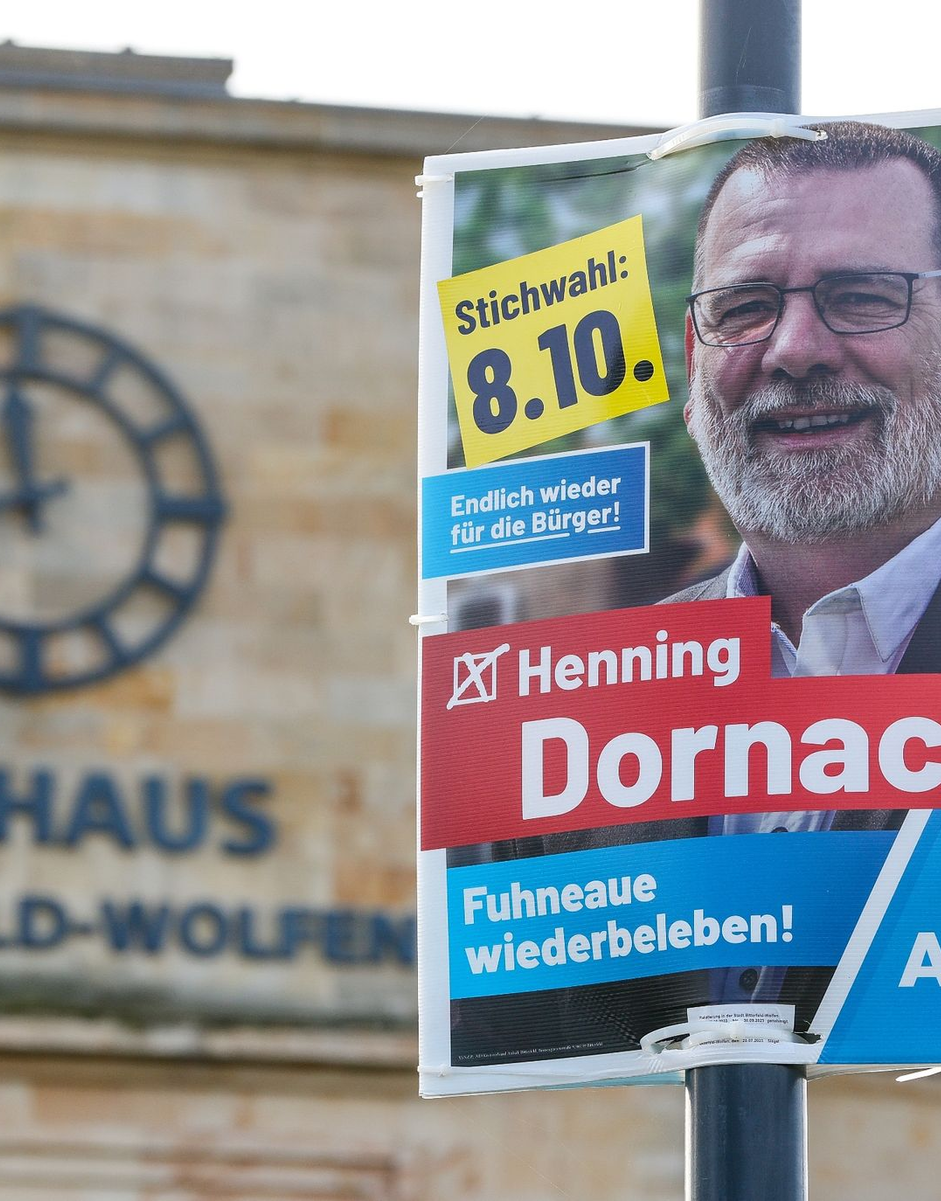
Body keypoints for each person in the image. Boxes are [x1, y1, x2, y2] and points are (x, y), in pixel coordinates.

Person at [451, 120, 941, 1066]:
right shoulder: (567, 719)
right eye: (746, 305)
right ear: (690, 355)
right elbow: (515, 1054)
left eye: (860, 296)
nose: (794, 348)